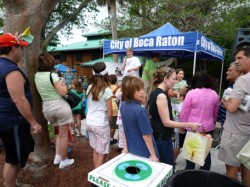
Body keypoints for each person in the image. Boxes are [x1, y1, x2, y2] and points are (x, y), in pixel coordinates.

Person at [0, 33, 42, 187]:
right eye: (20, 48)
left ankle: (12, 183)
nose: (22, 52)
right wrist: (34, 122)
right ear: (13, 49)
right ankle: (10, 185)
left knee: (17, 153)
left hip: (7, 120)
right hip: (13, 121)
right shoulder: (11, 71)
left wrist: (14, 36)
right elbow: (19, 99)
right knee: (13, 158)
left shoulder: (2, 65)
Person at [148, 66, 200, 167]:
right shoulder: (161, 96)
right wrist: (189, 124)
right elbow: (166, 122)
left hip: (159, 134)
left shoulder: (156, 93)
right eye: (173, 79)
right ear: (165, 79)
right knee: (165, 167)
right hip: (161, 136)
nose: (175, 82)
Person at [35, 53, 74, 169]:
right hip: (59, 106)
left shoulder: (36, 75)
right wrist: (66, 86)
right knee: (63, 135)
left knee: (58, 134)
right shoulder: (52, 75)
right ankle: (64, 160)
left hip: (46, 108)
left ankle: (57, 156)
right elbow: (63, 92)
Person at [218, 47, 250, 187]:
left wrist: (225, 101)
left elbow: (231, 107)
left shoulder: (243, 79)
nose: (236, 62)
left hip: (234, 132)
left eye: (240, 58)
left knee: (231, 168)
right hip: (247, 132)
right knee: (246, 169)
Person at [180, 71, 220, 171]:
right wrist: (213, 123)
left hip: (192, 126)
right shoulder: (214, 94)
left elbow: (184, 112)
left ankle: (189, 172)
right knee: (205, 151)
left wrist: (182, 125)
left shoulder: (191, 93)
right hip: (208, 127)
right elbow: (215, 112)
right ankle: (205, 173)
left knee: (191, 151)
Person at [120, 76, 159, 161]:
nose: (142, 92)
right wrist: (153, 156)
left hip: (132, 149)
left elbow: (125, 128)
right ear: (130, 91)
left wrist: (125, 148)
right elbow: (147, 136)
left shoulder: (123, 105)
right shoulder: (140, 111)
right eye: (138, 90)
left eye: (142, 89)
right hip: (145, 151)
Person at [86, 62, 113, 169]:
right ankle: (96, 180)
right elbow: (110, 113)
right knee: (102, 152)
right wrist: (110, 124)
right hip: (101, 124)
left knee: (96, 150)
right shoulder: (107, 90)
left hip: (90, 122)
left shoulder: (89, 87)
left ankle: (95, 174)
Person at [168, 68, 188, 161]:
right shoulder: (174, 82)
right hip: (174, 104)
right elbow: (170, 92)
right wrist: (177, 93)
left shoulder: (184, 83)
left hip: (179, 105)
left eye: (182, 74)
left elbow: (184, 92)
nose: (181, 75)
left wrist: (177, 94)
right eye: (179, 74)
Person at [108, 74, 119, 145]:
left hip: (107, 107)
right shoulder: (117, 88)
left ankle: (107, 138)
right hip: (115, 108)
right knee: (113, 126)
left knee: (108, 124)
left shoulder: (106, 88)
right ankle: (111, 139)